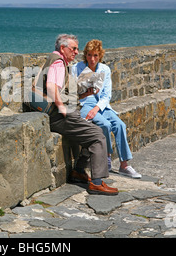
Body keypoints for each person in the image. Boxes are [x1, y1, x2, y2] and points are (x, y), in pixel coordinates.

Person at [42, 34, 119, 195]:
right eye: (74, 48)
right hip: (60, 116)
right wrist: (62, 107)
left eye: (77, 48)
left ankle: (78, 171)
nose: (77, 51)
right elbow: (51, 86)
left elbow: (62, 90)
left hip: (60, 114)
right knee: (98, 136)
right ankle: (96, 183)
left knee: (92, 132)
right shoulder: (57, 62)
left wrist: (84, 94)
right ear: (63, 48)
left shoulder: (57, 60)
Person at [72, 39, 142, 179]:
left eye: (96, 55)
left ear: (100, 56)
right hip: (84, 104)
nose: (92, 59)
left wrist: (97, 108)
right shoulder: (76, 68)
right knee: (104, 124)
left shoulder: (105, 69)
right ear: (85, 55)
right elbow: (73, 93)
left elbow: (106, 95)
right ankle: (107, 156)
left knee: (120, 125)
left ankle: (124, 165)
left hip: (101, 105)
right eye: (90, 55)